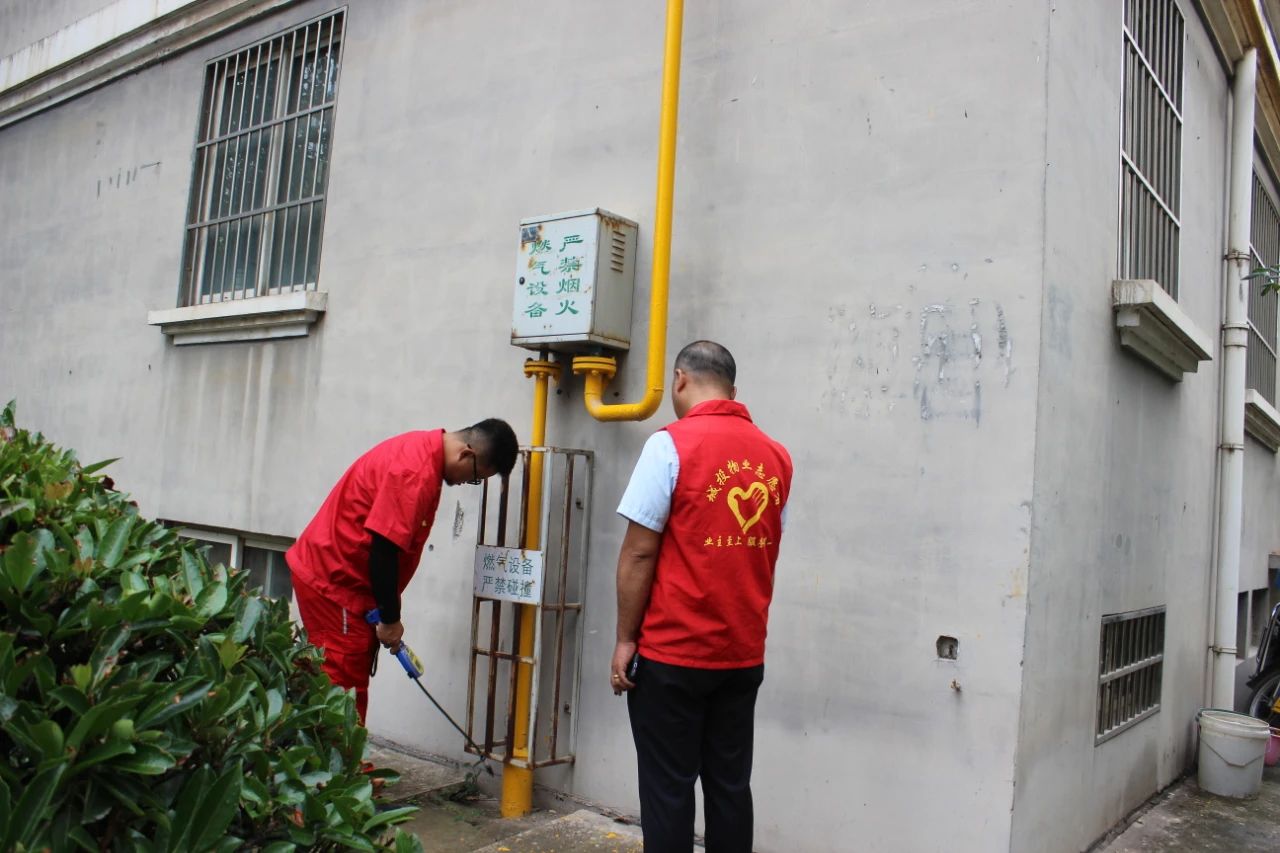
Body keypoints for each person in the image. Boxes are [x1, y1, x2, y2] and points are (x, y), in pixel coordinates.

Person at [610, 340, 793, 853]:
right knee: (730, 786)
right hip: (742, 655)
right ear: (733, 391)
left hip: (673, 655)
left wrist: (625, 639)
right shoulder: (776, 456)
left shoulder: (669, 446)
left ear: (680, 380)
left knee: (668, 791)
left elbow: (639, 553)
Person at [287, 419, 518, 723]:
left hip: (345, 578)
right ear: (466, 454)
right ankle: (339, 754)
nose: (468, 483)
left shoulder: (425, 454)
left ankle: (310, 744)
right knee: (342, 684)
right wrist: (390, 620)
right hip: (334, 582)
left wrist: (385, 616)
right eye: (476, 477)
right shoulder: (415, 472)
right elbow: (384, 550)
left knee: (328, 674)